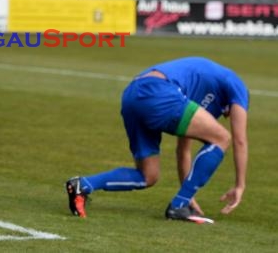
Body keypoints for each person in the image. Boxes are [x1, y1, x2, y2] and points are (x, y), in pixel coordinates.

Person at [66, 57, 249, 223]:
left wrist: (187, 195)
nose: (225, 116)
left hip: (133, 94)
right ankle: (178, 207)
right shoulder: (236, 85)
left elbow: (183, 149)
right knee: (222, 137)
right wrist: (240, 185)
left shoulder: (199, 89)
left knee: (148, 176)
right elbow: (239, 140)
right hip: (159, 91)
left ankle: (82, 185)